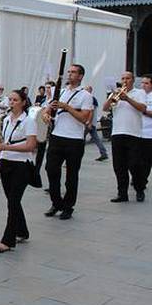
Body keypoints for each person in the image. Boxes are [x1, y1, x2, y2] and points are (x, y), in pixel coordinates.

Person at [42, 64, 94, 220]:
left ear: (80, 76)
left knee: (71, 175)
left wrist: (67, 107)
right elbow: (48, 108)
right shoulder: (61, 91)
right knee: (51, 170)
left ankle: (68, 206)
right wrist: (46, 114)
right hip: (57, 136)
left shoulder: (85, 95)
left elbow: (84, 118)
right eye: (69, 72)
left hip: (74, 139)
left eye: (73, 72)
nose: (69, 75)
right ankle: (56, 202)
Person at [0, 90, 37, 253]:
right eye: (10, 100)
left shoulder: (29, 121)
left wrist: (6, 147)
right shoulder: (5, 120)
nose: (11, 102)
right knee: (13, 200)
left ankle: (8, 240)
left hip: (21, 165)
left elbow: (31, 146)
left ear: (23, 102)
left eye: (15, 100)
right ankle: (22, 231)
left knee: (13, 201)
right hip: (6, 162)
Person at [103, 71, 147, 202]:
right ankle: (122, 193)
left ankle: (139, 189)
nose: (125, 81)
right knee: (119, 166)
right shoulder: (116, 93)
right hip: (117, 133)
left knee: (134, 164)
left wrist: (127, 98)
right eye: (123, 78)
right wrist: (113, 97)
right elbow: (105, 108)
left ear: (133, 80)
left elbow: (142, 109)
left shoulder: (140, 93)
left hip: (134, 133)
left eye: (127, 78)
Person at [84, 86, 108, 161]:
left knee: (79, 139)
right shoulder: (91, 98)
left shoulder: (91, 99)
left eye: (87, 89)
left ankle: (73, 157)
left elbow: (91, 112)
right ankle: (103, 153)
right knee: (96, 139)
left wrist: (89, 122)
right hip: (90, 123)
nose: (85, 91)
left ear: (90, 90)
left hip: (89, 123)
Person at [139, 75, 152, 193]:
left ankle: (142, 180)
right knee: (134, 159)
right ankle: (138, 177)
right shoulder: (138, 95)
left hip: (149, 134)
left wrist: (144, 110)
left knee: (146, 160)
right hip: (137, 132)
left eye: (146, 83)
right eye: (142, 83)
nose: (143, 85)